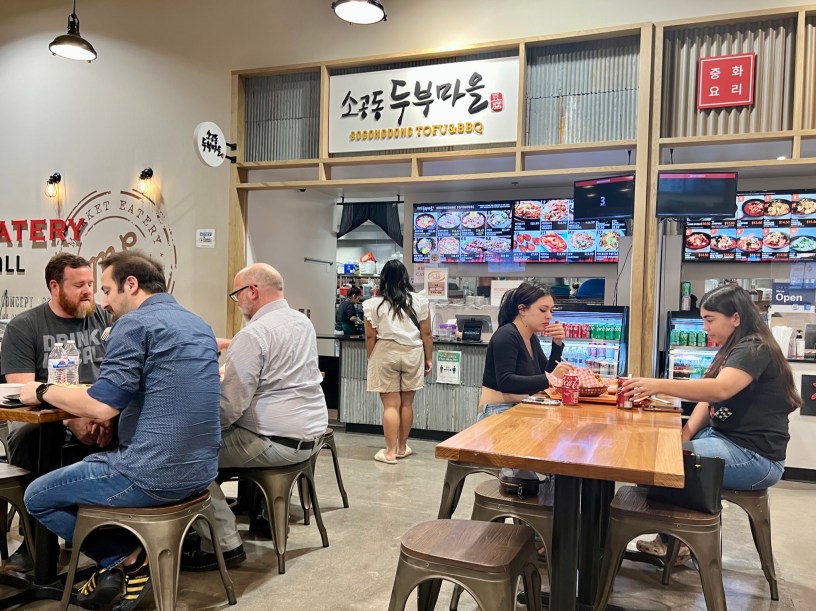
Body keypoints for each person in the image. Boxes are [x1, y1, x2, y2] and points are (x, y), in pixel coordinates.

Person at [19, 251, 222, 611]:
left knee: (38, 496)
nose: (104, 301)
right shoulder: (197, 323)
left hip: (151, 474)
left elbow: (101, 405)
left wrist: (42, 390)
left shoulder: (135, 324)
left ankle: (127, 559)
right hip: (201, 473)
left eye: (108, 290)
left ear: (132, 284)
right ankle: (127, 554)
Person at [622, 284, 801, 563]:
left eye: (709, 319)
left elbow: (718, 390)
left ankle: (678, 541)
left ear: (736, 318)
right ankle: (674, 539)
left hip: (755, 457)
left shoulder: (755, 347)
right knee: (660, 457)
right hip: (730, 443)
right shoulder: (735, 347)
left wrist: (656, 384)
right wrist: (687, 431)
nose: (705, 327)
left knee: (658, 463)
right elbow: (708, 401)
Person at [182, 263, 328, 571]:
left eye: (237, 295)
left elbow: (230, 406)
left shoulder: (254, 334)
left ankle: (222, 543)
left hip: (276, 441)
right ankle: (255, 516)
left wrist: (194, 427)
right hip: (311, 436)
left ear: (252, 291)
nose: (237, 303)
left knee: (182, 457)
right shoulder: (301, 322)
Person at [0, 252, 111, 572]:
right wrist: (72, 418)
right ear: (54, 286)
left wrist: (100, 416)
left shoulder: (102, 320)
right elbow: (22, 389)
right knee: (33, 440)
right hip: (47, 420)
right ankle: (35, 543)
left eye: (91, 283)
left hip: (98, 415)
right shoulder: (26, 326)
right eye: (79, 285)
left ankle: (111, 542)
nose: (89, 291)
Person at [363, 259, 432, 464]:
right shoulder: (420, 301)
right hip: (413, 352)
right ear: (405, 278)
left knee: (391, 406)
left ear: (383, 279)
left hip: (385, 351)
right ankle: (402, 447)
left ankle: (390, 452)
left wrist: (372, 358)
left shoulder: (372, 304)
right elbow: (426, 333)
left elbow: (370, 337)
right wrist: (429, 358)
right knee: (407, 404)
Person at [479, 282, 570, 419]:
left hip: (521, 405)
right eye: (543, 310)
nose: (549, 316)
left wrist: (557, 345)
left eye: (551, 311)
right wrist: (551, 378)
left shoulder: (532, 338)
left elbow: (544, 374)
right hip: (497, 410)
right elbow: (505, 381)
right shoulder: (506, 335)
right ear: (522, 309)